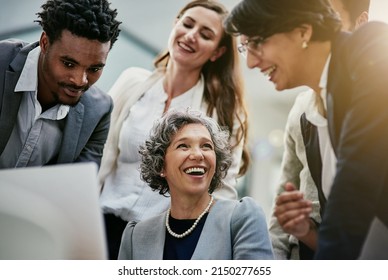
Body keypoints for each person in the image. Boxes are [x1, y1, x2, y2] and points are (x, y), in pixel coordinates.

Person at [225, 0, 388, 259]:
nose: (251, 63)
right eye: (245, 49)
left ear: (303, 32)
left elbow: (358, 178)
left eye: (256, 42)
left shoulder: (371, 45)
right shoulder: (329, 99)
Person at [98, 0, 249, 259]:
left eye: (205, 34)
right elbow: (98, 151)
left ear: (217, 52)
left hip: (158, 240)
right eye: (187, 24)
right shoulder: (132, 81)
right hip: (100, 222)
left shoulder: (222, 112)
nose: (191, 35)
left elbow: (223, 191)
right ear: (175, 25)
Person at [268, 0, 370, 260]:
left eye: (328, 16)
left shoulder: (374, 96)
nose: (314, 26)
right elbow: (284, 195)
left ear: (361, 24)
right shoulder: (301, 109)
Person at [118, 109, 273, 260]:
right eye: (183, 146)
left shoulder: (243, 217)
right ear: (161, 166)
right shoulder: (136, 236)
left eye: (206, 146)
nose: (198, 155)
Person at [0, 0, 121, 169]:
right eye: (68, 64)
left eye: (94, 69)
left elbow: (78, 186)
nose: (80, 81)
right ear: (45, 43)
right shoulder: (1, 60)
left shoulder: (99, 110)